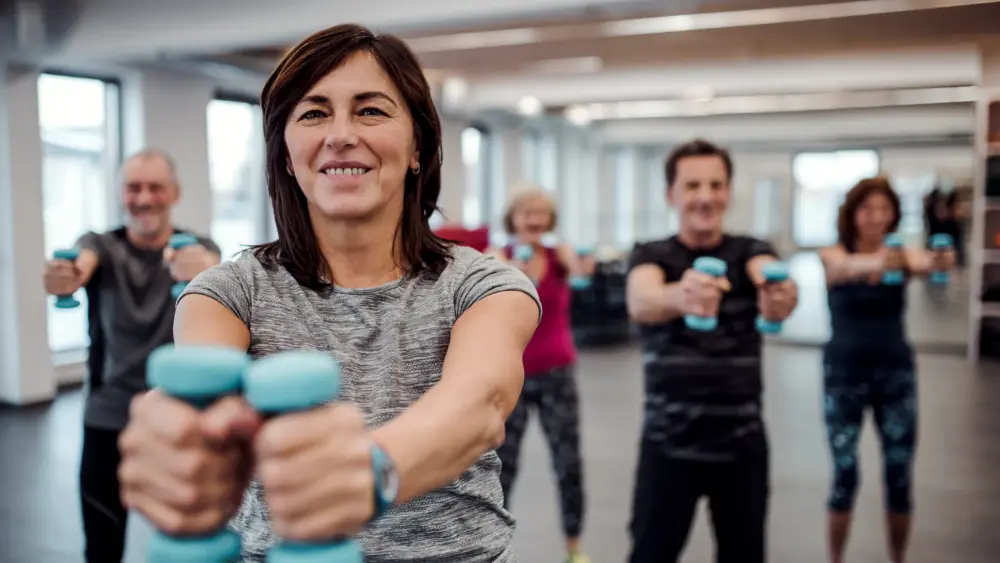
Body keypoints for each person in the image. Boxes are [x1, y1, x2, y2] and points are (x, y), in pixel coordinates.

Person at [115, 23, 541, 563]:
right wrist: (176, 436)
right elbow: (199, 388)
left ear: (417, 148)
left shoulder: (481, 284)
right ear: (288, 157)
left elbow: (479, 404)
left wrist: (371, 473)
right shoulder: (227, 291)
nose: (341, 134)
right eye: (314, 113)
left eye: (371, 110)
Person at [623, 139, 798, 563]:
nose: (706, 196)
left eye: (716, 185)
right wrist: (682, 296)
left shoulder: (751, 251)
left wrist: (779, 294)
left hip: (742, 448)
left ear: (729, 191)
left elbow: (772, 281)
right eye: (693, 185)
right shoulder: (653, 255)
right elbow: (642, 300)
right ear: (671, 195)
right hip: (668, 447)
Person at [42, 148, 221, 563]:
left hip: (178, 422)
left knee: (187, 549)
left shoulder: (197, 248)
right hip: (107, 418)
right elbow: (80, 264)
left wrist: (204, 269)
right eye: (133, 188)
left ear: (174, 193)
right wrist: (64, 277)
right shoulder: (100, 245)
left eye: (154, 187)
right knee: (102, 548)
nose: (143, 198)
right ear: (121, 194)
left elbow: (211, 262)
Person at [818, 177, 954, 563]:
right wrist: (882, 262)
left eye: (884, 209)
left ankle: (898, 558)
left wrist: (942, 259)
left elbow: (932, 262)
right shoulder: (833, 253)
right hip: (842, 375)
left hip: (895, 374)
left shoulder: (904, 256)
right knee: (844, 475)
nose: (876, 217)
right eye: (867, 209)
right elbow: (841, 268)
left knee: (899, 475)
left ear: (893, 214)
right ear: (852, 213)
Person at [488, 186, 595, 563]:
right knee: (502, 466)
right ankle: (494, 547)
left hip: (557, 373)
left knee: (568, 463)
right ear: (513, 218)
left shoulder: (559, 256)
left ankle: (574, 547)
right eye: (526, 212)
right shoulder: (495, 259)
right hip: (510, 376)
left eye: (541, 213)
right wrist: (503, 275)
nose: (534, 220)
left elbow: (583, 276)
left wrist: (582, 265)